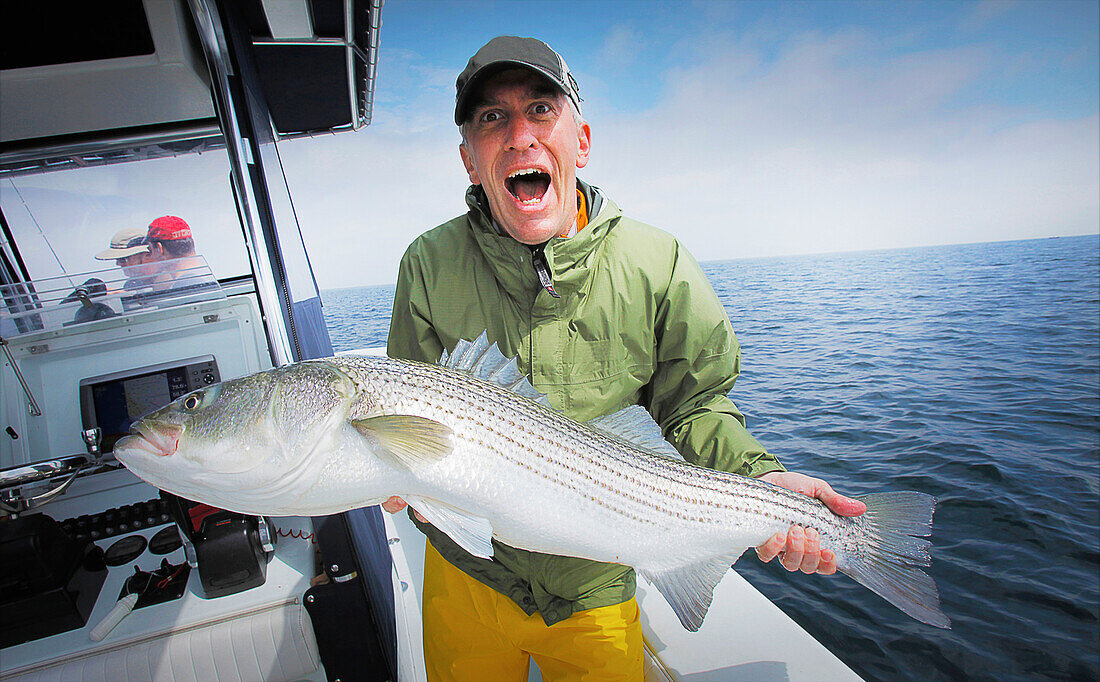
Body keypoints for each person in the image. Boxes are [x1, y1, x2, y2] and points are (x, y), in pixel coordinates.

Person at [383, 36, 867, 680]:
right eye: (492, 118)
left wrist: (761, 479)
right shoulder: (427, 263)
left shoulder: (656, 261)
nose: (520, 135)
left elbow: (695, 405)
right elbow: (402, 399)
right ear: (470, 160)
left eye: (541, 110)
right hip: (466, 573)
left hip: (599, 579)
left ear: (580, 140)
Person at [94, 227, 153, 291]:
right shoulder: (133, 284)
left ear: (146, 255)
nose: (118, 263)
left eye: (122, 259)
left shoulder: (162, 282)